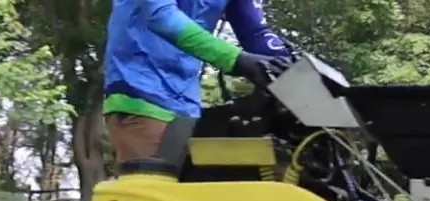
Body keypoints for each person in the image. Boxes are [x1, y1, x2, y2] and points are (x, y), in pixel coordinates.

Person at [103, 0, 295, 165]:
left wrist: (292, 65)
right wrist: (236, 60)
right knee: (154, 199)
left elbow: (255, 33)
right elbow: (161, 16)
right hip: (141, 93)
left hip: (189, 103)